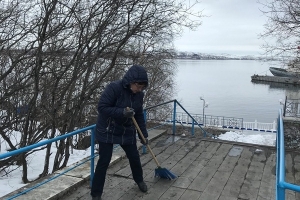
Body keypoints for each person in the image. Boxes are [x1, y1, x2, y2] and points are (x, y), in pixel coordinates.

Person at [91, 65, 149, 200]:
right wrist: (122, 112)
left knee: (134, 157)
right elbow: (102, 107)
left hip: (126, 130)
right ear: (131, 82)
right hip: (107, 129)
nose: (139, 90)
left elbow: (139, 114)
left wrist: (143, 135)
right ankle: (96, 194)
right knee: (104, 162)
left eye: (142, 88)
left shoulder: (139, 95)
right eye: (138, 87)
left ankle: (139, 180)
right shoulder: (114, 88)